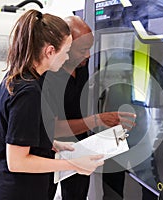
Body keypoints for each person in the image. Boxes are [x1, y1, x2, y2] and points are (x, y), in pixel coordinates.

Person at [0, 10, 104, 200]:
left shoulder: (20, 78)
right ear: (50, 51)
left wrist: (54, 145)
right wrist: (74, 165)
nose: (67, 58)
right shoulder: (28, 91)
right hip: (18, 192)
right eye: (66, 52)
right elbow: (17, 162)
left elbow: (20, 134)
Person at [44, 16, 136, 200]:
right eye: (83, 50)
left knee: (78, 193)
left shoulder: (82, 65)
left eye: (89, 49)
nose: (88, 56)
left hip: (80, 143)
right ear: (65, 46)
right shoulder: (48, 76)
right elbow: (53, 127)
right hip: (49, 148)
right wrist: (97, 120)